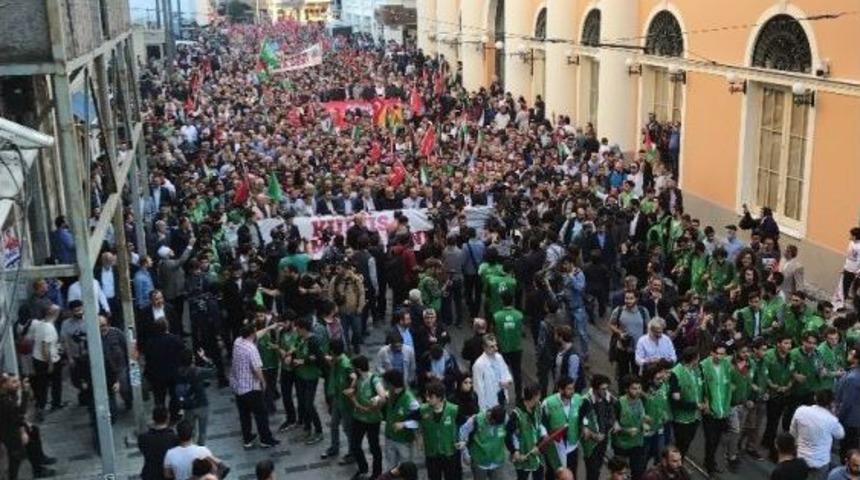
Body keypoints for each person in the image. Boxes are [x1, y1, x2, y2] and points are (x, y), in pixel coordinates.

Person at [229, 323, 279, 449]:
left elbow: (257, 335)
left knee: (244, 414)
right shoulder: (251, 349)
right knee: (261, 413)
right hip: (251, 388)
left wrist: (269, 328)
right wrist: (263, 382)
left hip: (238, 386)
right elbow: (257, 369)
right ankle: (265, 439)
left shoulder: (238, 342)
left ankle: (247, 439)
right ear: (251, 334)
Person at [347, 355, 388, 480]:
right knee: (355, 444)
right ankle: (363, 468)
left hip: (372, 420)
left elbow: (383, 396)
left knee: (374, 446)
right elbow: (351, 391)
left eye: (354, 368)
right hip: (358, 418)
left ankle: (376, 474)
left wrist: (374, 406)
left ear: (358, 369)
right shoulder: (357, 378)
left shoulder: (374, 379)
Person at [790, 389, 845, 480]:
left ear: (815, 398)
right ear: (831, 403)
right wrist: (834, 415)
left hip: (800, 456)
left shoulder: (801, 410)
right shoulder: (831, 419)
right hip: (821, 461)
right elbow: (841, 434)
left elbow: (792, 432)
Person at [541, 376, 586, 477]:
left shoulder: (578, 399)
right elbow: (541, 422)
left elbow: (584, 415)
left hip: (572, 446)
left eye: (573, 388)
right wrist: (545, 436)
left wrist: (585, 426)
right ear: (560, 389)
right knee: (553, 473)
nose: (572, 391)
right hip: (555, 448)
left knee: (572, 474)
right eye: (569, 388)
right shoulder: (548, 403)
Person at [699, 342, 732, 475]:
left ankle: (709, 460)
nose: (720, 356)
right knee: (711, 439)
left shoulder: (726, 365)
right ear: (711, 353)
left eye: (723, 354)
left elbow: (728, 387)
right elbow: (700, 388)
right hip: (709, 411)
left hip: (723, 409)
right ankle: (710, 465)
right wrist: (704, 403)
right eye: (717, 353)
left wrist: (726, 407)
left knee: (717, 439)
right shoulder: (703, 366)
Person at [417, 381, 461, 480]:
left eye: (430, 397)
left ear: (439, 398)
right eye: (426, 396)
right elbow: (416, 425)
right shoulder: (422, 410)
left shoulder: (454, 410)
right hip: (431, 453)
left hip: (449, 452)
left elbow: (463, 427)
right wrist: (419, 437)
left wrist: (462, 441)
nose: (427, 399)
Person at [506, 383, 547, 480]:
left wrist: (540, 445)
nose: (540, 397)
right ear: (534, 396)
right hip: (523, 454)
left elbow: (542, 425)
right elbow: (508, 435)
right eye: (539, 395)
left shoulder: (539, 407)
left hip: (537, 453)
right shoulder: (516, 414)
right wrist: (514, 451)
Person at [30, 305, 64, 418]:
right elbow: (45, 347)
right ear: (54, 313)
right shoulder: (49, 328)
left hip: (37, 358)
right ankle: (53, 404)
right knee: (54, 383)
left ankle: (41, 406)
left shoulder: (39, 324)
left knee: (41, 385)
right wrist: (49, 364)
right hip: (48, 360)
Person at [382, 369, 420, 469]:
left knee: (406, 469)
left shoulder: (411, 401)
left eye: (385, 382)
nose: (384, 385)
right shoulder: (390, 394)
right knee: (390, 469)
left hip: (404, 442)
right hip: (389, 438)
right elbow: (384, 394)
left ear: (391, 384)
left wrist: (404, 424)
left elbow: (418, 422)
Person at [613, 375, 649, 480]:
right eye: (634, 388)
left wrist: (644, 423)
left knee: (638, 472)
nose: (638, 391)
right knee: (620, 473)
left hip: (637, 443)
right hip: (622, 445)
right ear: (626, 389)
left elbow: (642, 416)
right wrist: (626, 430)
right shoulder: (619, 403)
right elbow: (612, 426)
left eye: (639, 388)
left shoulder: (641, 400)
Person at [669, 347, 703, 458]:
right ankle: (676, 465)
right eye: (698, 357)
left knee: (687, 443)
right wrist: (695, 405)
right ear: (694, 359)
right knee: (681, 445)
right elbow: (676, 401)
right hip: (681, 419)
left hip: (694, 417)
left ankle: (680, 463)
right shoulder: (676, 373)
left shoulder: (696, 370)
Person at [582, 374, 616, 480]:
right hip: (591, 443)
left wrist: (613, 423)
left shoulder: (608, 398)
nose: (606, 391)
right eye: (603, 389)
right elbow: (582, 422)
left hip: (604, 439)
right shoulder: (585, 401)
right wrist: (593, 434)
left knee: (598, 469)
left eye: (607, 388)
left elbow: (613, 412)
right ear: (595, 389)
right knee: (592, 471)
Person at [460, 404, 508, 480]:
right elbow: (463, 432)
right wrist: (465, 453)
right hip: (479, 462)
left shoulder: (504, 419)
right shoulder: (476, 419)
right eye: (493, 422)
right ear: (490, 415)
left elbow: (511, 435)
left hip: (497, 461)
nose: (494, 425)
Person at [494, 291, 525, 400]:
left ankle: (502, 396)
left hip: (503, 348)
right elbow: (522, 331)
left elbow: (495, 332)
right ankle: (519, 396)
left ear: (502, 301)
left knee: (501, 373)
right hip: (517, 348)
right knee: (517, 373)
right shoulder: (519, 315)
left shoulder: (497, 316)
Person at [472, 334, 513, 409]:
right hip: (489, 402)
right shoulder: (479, 364)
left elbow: (506, 372)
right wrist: (483, 408)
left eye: (496, 345)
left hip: (501, 395)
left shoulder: (499, 357)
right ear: (484, 347)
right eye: (492, 346)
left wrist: (508, 382)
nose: (496, 348)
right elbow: (478, 388)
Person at [138, 406, 179, 480]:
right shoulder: (173, 438)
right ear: (167, 419)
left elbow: (143, 450)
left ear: (153, 419)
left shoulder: (143, 437)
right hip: (167, 474)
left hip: (149, 474)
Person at [838, 346, 860, 460]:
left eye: (852, 352)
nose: (849, 352)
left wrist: (838, 418)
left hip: (850, 421)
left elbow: (846, 404)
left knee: (847, 451)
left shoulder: (852, 378)